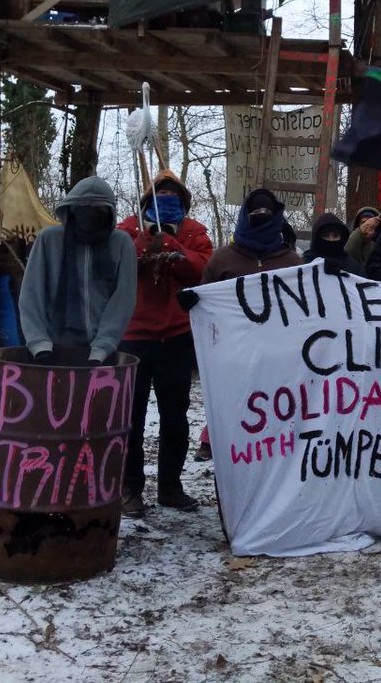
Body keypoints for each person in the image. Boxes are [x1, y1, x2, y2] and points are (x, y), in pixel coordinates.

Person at [115, 170, 213, 517]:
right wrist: (147, 238)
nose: (167, 207)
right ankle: (130, 489)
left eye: (175, 202)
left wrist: (171, 243)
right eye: (160, 200)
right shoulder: (129, 229)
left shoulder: (194, 232)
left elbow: (203, 270)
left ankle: (170, 487)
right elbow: (116, 263)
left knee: (175, 417)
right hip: (134, 337)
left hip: (175, 337)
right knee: (131, 418)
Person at [192, 188, 304, 460]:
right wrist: (195, 302)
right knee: (234, 407)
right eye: (255, 214)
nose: (260, 218)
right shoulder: (222, 259)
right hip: (234, 355)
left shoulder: (291, 261)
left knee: (274, 412)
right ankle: (226, 454)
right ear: (245, 215)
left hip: (279, 355)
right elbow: (206, 299)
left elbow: (305, 304)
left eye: (266, 214)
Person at [20, 176, 136, 366]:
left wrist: (103, 346)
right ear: (72, 208)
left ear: (110, 212)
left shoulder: (121, 243)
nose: (91, 213)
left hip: (102, 353)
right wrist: (39, 343)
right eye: (84, 206)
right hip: (50, 351)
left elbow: (123, 299)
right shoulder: (49, 239)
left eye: (99, 209)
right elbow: (32, 293)